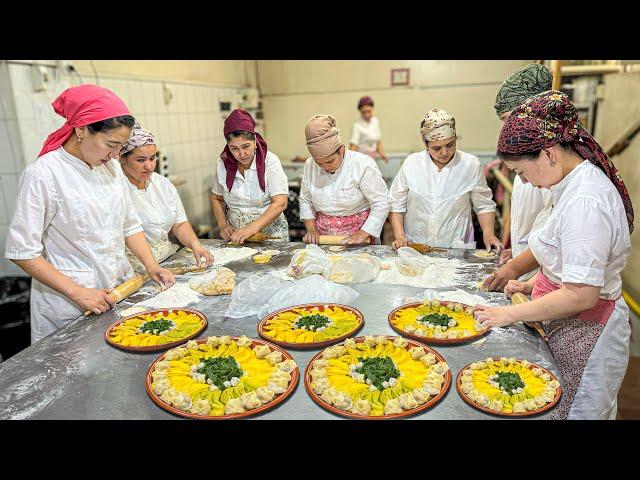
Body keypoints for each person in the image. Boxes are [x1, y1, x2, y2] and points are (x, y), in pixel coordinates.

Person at [474, 91, 634, 420]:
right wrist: (529, 282)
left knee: (578, 412)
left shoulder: (586, 201)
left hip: (590, 332)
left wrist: (507, 316)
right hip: (567, 325)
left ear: (548, 153)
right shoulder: (568, 184)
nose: (525, 183)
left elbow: (582, 294)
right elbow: (559, 251)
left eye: (521, 172)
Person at [4, 85, 175, 343]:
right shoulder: (44, 175)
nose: (116, 155)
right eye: (111, 145)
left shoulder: (112, 169)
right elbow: (22, 252)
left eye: (121, 147)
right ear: (81, 130)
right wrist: (78, 292)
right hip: (69, 304)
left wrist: (152, 266)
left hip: (117, 290)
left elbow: (129, 225)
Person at [483, 63, 554, 290]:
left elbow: (555, 240)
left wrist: (515, 268)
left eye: (508, 119)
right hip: (529, 275)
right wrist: (515, 250)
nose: (506, 128)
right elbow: (531, 220)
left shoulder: (553, 167)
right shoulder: (529, 158)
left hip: (547, 281)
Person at [389, 108, 501, 250]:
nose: (444, 152)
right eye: (436, 148)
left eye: (450, 144)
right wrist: (400, 236)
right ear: (426, 145)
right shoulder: (412, 164)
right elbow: (396, 204)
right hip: (417, 245)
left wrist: (489, 234)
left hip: (456, 246)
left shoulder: (470, 164)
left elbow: (483, 205)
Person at [118, 123, 213, 271]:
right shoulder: (117, 189)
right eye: (141, 160)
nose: (149, 166)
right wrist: (151, 266)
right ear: (123, 159)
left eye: (152, 158)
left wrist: (196, 245)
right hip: (135, 268)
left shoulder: (162, 184)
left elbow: (179, 223)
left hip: (167, 260)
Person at [300, 114, 390, 245]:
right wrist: (312, 229)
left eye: (330, 161)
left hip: (359, 238)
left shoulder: (362, 164)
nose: (325, 167)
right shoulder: (309, 165)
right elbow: (305, 200)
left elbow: (381, 202)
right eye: (319, 163)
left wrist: (363, 233)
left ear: (341, 149)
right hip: (324, 238)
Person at [210, 109, 289, 244]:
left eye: (246, 146)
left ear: (255, 141)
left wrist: (251, 229)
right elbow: (216, 198)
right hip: (237, 237)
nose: (241, 154)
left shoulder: (270, 161)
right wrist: (223, 225)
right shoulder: (222, 164)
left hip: (271, 235)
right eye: (234, 148)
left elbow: (280, 202)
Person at [349, 96, 387, 162]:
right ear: (360, 111)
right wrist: (350, 161)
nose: (367, 115)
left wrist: (382, 154)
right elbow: (353, 146)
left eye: (369, 111)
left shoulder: (375, 121)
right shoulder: (357, 125)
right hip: (361, 159)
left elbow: (378, 141)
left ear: (373, 109)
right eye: (363, 112)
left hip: (373, 158)